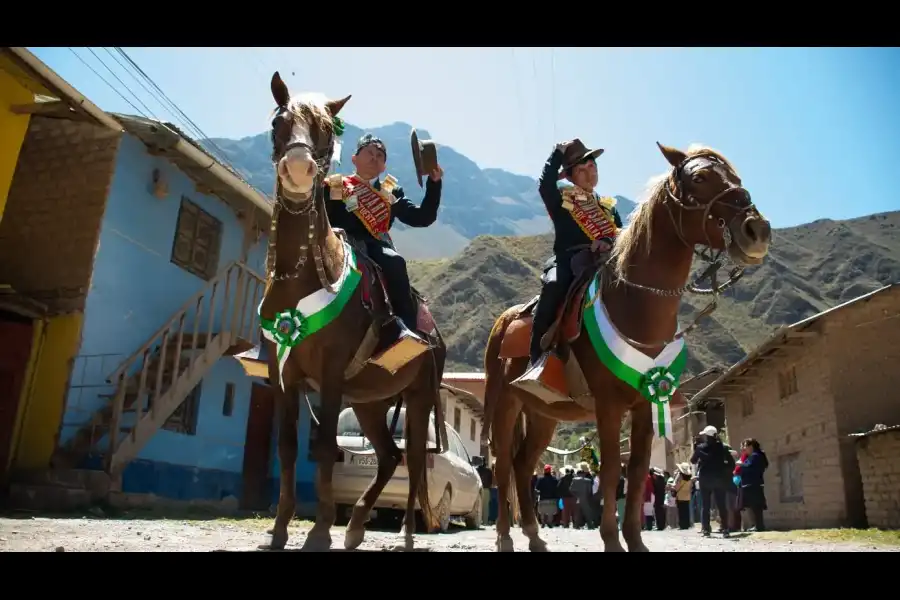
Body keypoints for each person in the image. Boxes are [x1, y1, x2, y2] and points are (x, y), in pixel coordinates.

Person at [325, 133, 443, 336]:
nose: (374, 158)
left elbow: (422, 217)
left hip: (373, 245)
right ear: (354, 158)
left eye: (380, 156)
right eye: (369, 152)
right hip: (338, 242)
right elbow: (325, 214)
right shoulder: (337, 185)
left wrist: (434, 184)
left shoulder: (390, 191)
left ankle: (405, 330)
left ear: (383, 167)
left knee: (395, 262)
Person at [528, 139, 624, 369]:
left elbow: (621, 235)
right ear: (569, 177)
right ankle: (537, 360)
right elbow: (545, 185)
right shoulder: (562, 199)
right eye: (581, 169)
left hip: (606, 261)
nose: (589, 172)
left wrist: (608, 241)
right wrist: (557, 154)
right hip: (569, 260)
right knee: (553, 286)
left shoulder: (607, 207)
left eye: (592, 166)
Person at [690, 425, 735, 538]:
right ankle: (725, 529)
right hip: (720, 478)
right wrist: (725, 473)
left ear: (707, 436)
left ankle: (706, 530)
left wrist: (699, 453)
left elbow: (693, 460)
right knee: (721, 504)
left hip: (705, 479)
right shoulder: (723, 448)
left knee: (705, 505)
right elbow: (731, 464)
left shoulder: (700, 448)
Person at [736, 438, 769, 532]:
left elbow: (747, 466)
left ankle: (759, 526)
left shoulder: (755, 456)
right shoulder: (756, 456)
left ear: (751, 446)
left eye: (746, 446)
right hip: (754, 483)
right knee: (753, 505)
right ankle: (756, 525)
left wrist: (740, 464)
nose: (744, 448)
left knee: (755, 506)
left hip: (753, 483)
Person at [475, 457, 493, 527]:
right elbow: (491, 481)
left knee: (479, 505)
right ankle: (485, 521)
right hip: (486, 489)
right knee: (486, 507)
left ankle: (478, 520)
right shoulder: (489, 471)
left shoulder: (476, 470)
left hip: (478, 489)